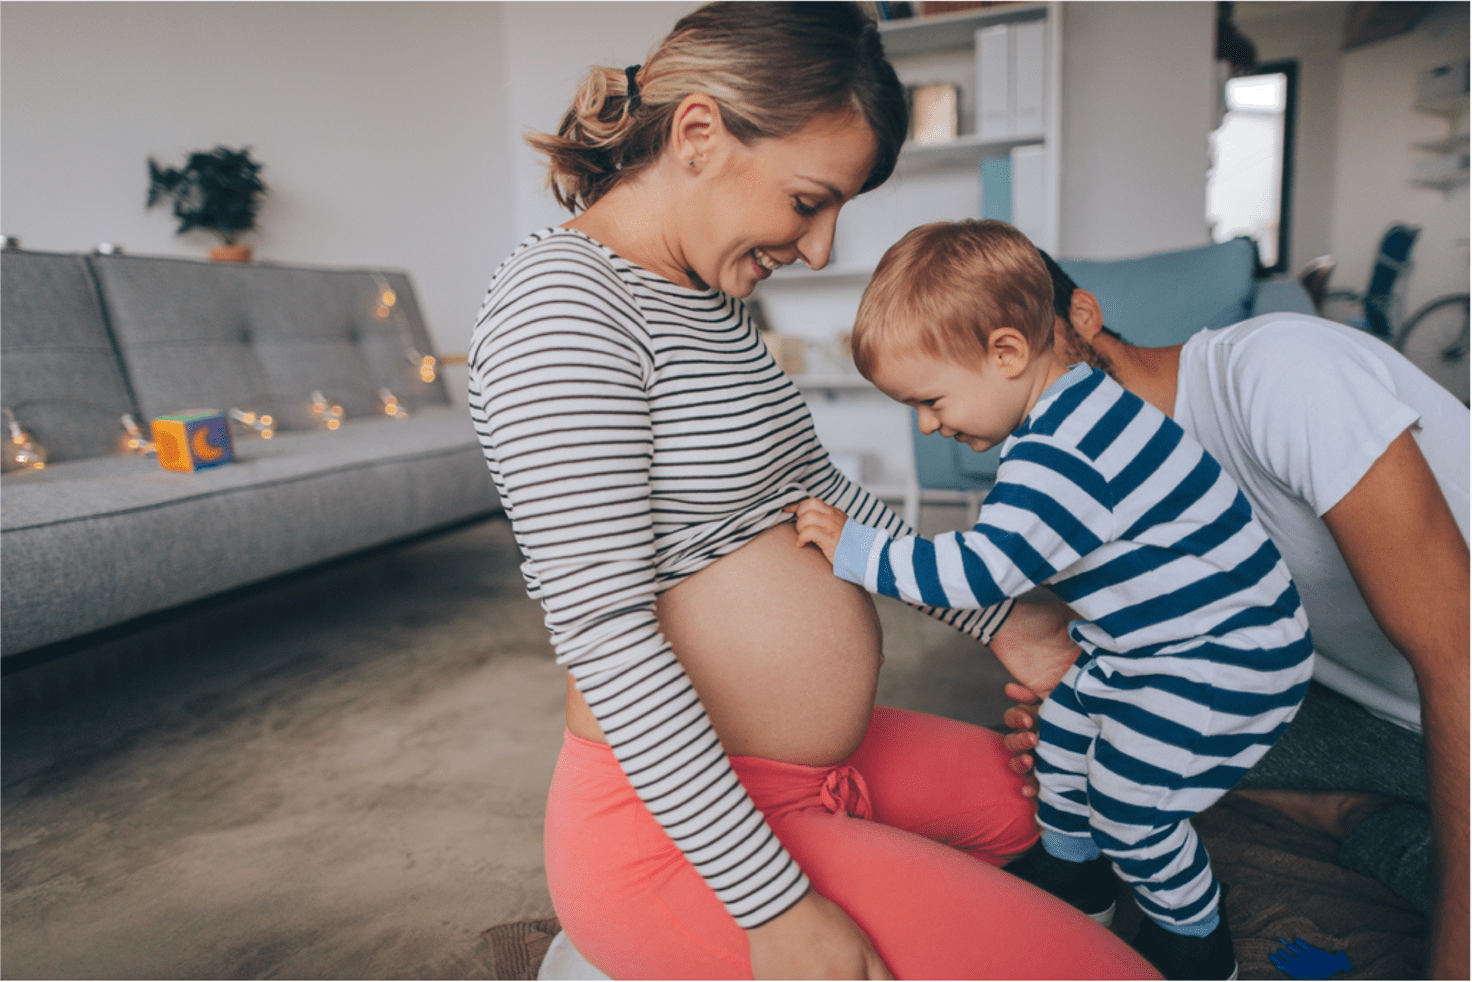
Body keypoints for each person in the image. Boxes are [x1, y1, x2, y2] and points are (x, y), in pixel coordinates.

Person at [466, 4, 1156, 979]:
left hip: (817, 768)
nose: (823, 249)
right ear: (698, 134)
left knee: (1046, 799)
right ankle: (630, 943)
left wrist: (1009, 620)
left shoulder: (705, 300)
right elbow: (604, 634)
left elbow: (821, 500)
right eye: (806, 201)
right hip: (676, 827)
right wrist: (775, 908)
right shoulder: (563, 309)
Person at [791, 219, 1314, 980]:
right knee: (1066, 734)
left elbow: (977, 574)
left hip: (1224, 654)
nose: (929, 423)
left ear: (1006, 352)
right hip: (1147, 645)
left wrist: (859, 550)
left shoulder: (1065, 454)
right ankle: (1080, 879)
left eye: (932, 399)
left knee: (1135, 810)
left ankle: (1198, 945)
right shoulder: (1077, 409)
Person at [1000, 250, 1469, 978]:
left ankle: (1360, 817)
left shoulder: (1280, 373)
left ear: (1082, 320)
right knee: (1092, 729)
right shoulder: (1087, 486)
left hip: (1453, 683)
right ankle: (1356, 811)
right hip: (1371, 715)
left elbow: (1458, 656)